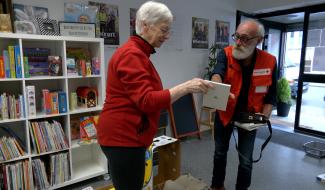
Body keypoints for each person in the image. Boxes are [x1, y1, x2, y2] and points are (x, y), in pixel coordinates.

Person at [96, 1, 213, 190]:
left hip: (126, 137)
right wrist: (186, 87)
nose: (167, 36)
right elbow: (147, 101)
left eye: (169, 31)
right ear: (144, 25)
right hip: (123, 139)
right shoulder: (131, 55)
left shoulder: (139, 53)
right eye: (164, 30)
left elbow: (148, 96)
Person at [210, 19, 277, 190]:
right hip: (225, 112)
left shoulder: (269, 61)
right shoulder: (225, 54)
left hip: (250, 116)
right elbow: (217, 73)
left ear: (259, 40)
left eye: (245, 38)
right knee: (219, 153)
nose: (238, 42)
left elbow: (271, 95)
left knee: (246, 160)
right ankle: (217, 186)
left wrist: (265, 116)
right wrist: (217, 87)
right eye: (237, 37)